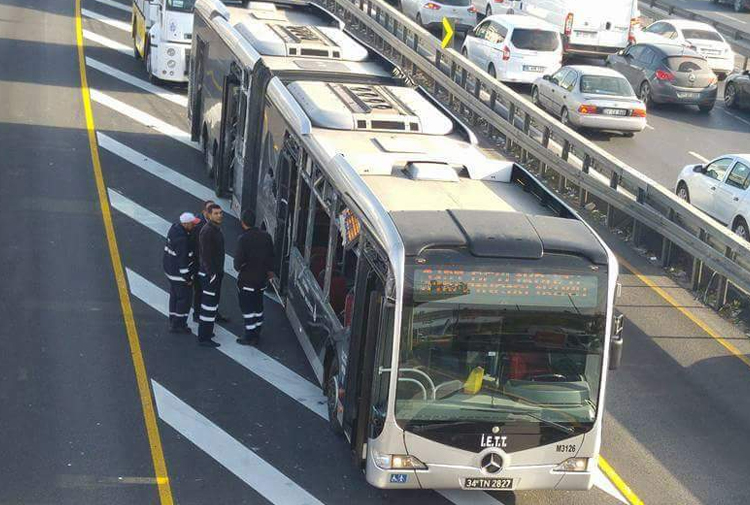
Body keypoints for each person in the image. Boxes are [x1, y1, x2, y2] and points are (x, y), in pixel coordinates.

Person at [234, 210, 275, 346]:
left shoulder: (243, 239)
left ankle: (249, 336)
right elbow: (271, 257)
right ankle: (257, 332)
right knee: (258, 307)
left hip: (247, 281)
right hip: (261, 281)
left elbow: (237, 263)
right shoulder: (266, 237)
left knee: (247, 308)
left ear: (243, 223)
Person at [163, 212, 200, 333]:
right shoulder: (183, 240)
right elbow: (183, 261)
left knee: (174, 296)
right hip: (178, 275)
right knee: (184, 299)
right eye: (192, 224)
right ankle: (179, 324)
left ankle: (173, 318)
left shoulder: (174, 230)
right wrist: (188, 278)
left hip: (170, 270)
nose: (194, 226)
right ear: (186, 224)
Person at [197, 203, 225, 347]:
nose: (219, 215)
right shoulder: (208, 232)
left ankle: (207, 332)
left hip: (214, 274)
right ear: (208, 215)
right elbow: (206, 256)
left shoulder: (215, 229)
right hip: (209, 276)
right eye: (216, 213)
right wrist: (212, 275)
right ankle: (204, 337)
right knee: (208, 306)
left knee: (211, 306)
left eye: (220, 213)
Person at [190, 200, 213, 322]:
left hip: (210, 265)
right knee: (199, 290)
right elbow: (194, 245)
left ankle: (214, 312)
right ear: (204, 211)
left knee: (212, 291)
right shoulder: (198, 225)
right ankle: (197, 314)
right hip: (199, 264)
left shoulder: (214, 222)